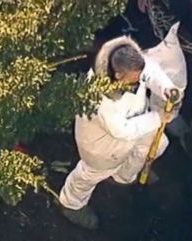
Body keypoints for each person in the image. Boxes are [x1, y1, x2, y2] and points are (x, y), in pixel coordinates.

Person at [58, 37, 181, 230]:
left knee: (157, 144)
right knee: (89, 175)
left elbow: (149, 71)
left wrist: (166, 88)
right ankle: (71, 204)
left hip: (136, 123)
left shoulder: (128, 62)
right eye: (135, 79)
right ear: (118, 75)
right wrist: (158, 117)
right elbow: (121, 130)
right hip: (104, 146)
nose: (139, 81)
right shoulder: (100, 98)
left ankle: (124, 177)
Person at [95, 0, 192, 149]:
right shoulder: (114, 9)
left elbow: (191, 19)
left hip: (165, 44)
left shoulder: (175, 4)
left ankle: (174, 128)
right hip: (128, 53)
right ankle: (142, 139)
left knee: (175, 88)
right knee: (130, 106)